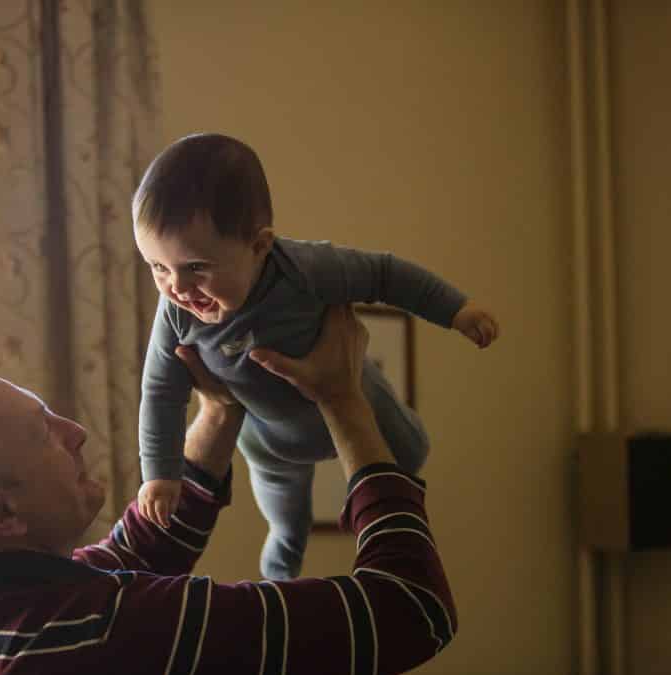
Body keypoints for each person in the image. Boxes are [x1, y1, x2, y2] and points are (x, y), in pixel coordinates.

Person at [0, 304, 457, 675]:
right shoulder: (110, 632)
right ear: (3, 512)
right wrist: (344, 402)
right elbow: (411, 608)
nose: (75, 433)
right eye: (44, 435)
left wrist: (219, 410)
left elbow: (131, 555)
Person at [135, 133, 499, 579]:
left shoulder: (305, 270)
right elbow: (159, 392)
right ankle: (281, 570)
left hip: (353, 395)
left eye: (196, 268)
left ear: (259, 246)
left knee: (409, 453)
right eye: (157, 267)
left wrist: (457, 310)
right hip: (270, 441)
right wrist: (160, 474)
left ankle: (376, 511)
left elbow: (385, 275)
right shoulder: (175, 313)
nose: (177, 287)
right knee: (286, 519)